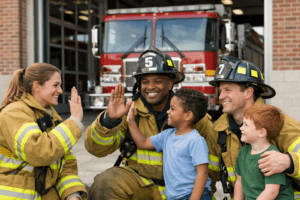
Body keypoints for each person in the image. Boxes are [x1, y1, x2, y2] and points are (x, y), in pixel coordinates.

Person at [84, 46, 213, 200]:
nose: (150, 87)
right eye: (145, 82)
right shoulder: (129, 113)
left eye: (157, 81)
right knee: (105, 183)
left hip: (185, 192)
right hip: (141, 187)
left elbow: (213, 163)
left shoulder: (193, 115)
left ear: (170, 84)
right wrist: (110, 120)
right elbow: (96, 149)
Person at [206, 56, 300, 199]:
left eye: (227, 90)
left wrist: (289, 161)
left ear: (248, 93)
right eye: (220, 91)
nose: (220, 96)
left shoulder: (281, 124)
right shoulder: (218, 130)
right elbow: (208, 176)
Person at [0, 63, 88, 200]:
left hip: (40, 191)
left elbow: (65, 165)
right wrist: (74, 121)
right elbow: (38, 151)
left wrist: (73, 195)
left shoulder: (50, 117)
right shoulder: (14, 113)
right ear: (36, 86)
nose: (60, 90)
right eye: (55, 85)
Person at [127, 88, 212, 200]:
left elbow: (203, 173)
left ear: (188, 116)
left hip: (193, 195)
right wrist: (131, 121)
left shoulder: (196, 140)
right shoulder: (167, 135)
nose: (168, 111)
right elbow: (142, 143)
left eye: (172, 109)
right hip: (174, 197)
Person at [234, 104, 294, 200]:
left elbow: (271, 192)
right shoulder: (243, 152)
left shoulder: (272, 157)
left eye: (246, 125)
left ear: (261, 132)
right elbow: (239, 181)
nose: (241, 128)